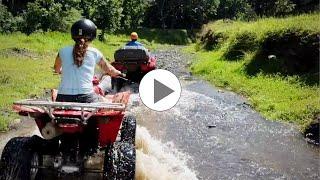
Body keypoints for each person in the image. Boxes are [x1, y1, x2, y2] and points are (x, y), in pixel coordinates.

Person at [53, 19, 122, 103]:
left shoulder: (62, 51)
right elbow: (110, 70)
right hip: (86, 97)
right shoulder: (94, 52)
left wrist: (61, 71)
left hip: (62, 97)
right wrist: (118, 72)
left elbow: (56, 69)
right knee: (108, 102)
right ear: (92, 35)